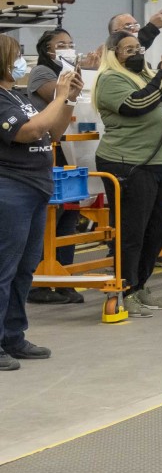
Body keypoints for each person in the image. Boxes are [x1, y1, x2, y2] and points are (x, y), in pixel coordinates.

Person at [93, 31, 162, 317]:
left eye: (138, 48)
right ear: (114, 54)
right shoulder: (111, 80)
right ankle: (125, 289)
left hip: (158, 160)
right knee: (132, 230)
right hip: (127, 162)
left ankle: (140, 283)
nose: (136, 53)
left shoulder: (148, 77)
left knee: (161, 226)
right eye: (128, 49)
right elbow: (135, 105)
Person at [0, 35, 81, 370]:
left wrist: (70, 100)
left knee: (24, 268)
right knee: (4, 268)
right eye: (19, 56)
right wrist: (58, 95)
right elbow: (29, 132)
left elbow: (53, 132)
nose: (24, 62)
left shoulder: (19, 96)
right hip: (11, 190)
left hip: (36, 189)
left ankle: (13, 336)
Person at [25, 29, 84, 305]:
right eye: (61, 45)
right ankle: (38, 280)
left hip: (66, 150)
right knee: (48, 216)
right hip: (45, 151)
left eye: (71, 44)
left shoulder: (72, 73)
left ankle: (64, 278)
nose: (68, 48)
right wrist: (71, 82)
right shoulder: (42, 73)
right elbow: (59, 99)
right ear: (48, 50)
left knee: (69, 215)